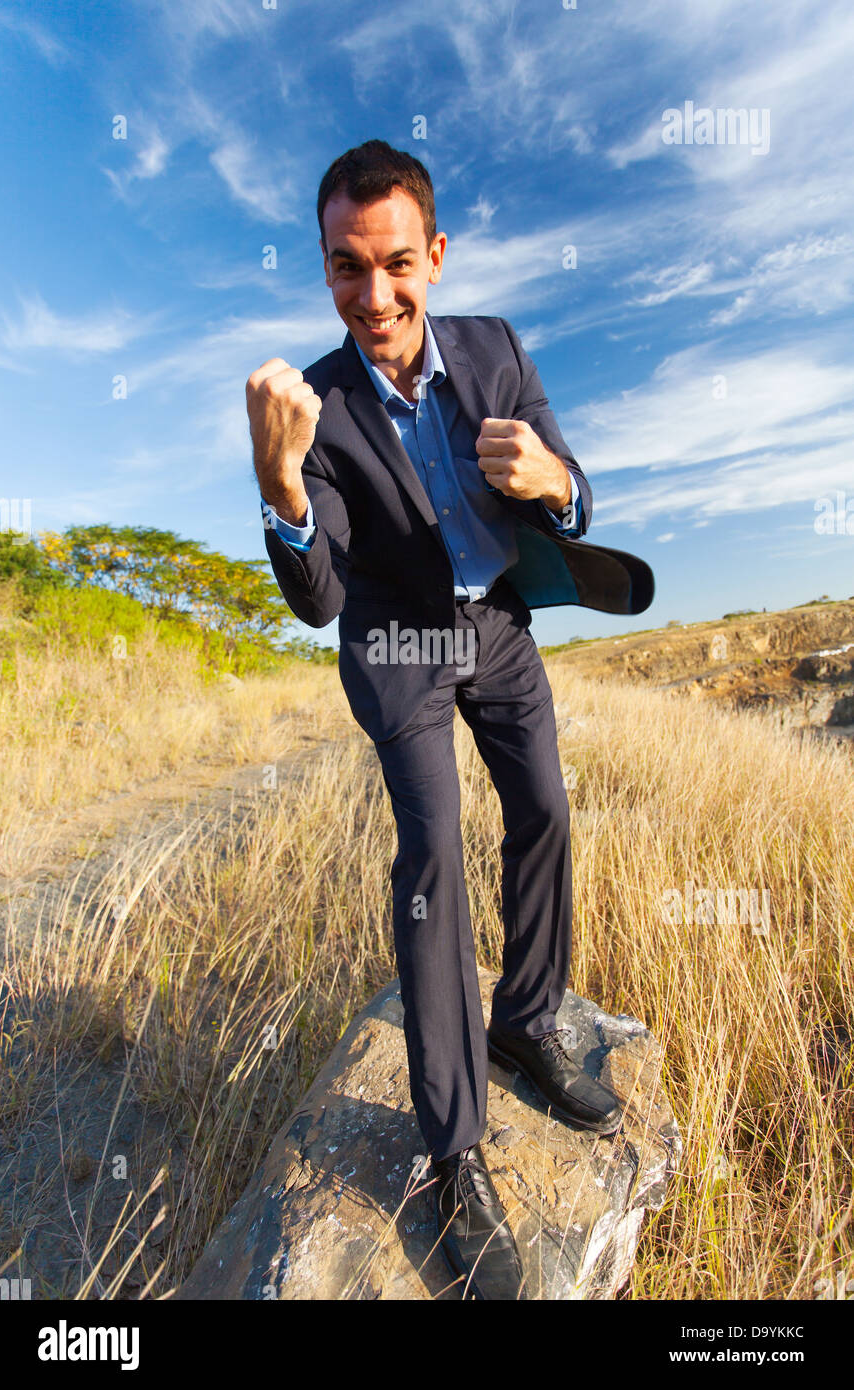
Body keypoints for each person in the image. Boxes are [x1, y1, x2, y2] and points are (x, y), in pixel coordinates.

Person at [245, 140, 653, 1300]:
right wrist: (281, 492)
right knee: (430, 852)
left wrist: (551, 481)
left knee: (543, 811)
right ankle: (453, 1150)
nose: (371, 296)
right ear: (324, 270)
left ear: (435, 254)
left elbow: (579, 492)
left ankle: (524, 1017)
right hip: (395, 641)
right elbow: (319, 596)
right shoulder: (311, 411)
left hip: (498, 625)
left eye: (392, 264)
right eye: (342, 268)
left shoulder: (494, 346)